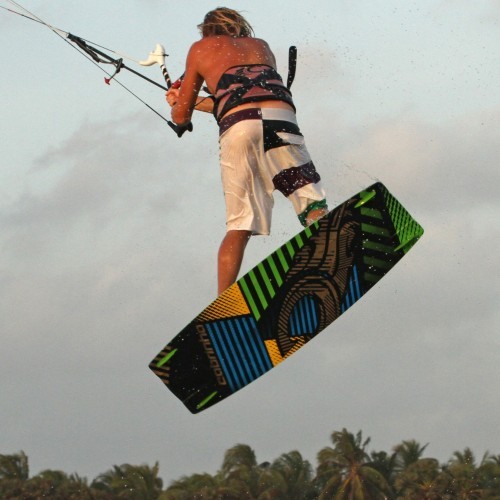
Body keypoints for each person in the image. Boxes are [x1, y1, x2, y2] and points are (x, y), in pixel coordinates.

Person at [166, 7, 328, 295]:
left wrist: (178, 103)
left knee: (240, 225)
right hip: (281, 119)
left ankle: (222, 305)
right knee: (309, 200)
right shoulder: (261, 46)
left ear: (207, 30)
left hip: (239, 126)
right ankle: (329, 245)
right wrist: (194, 103)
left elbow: (182, 117)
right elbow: (246, 96)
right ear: (239, 26)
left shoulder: (200, 48)